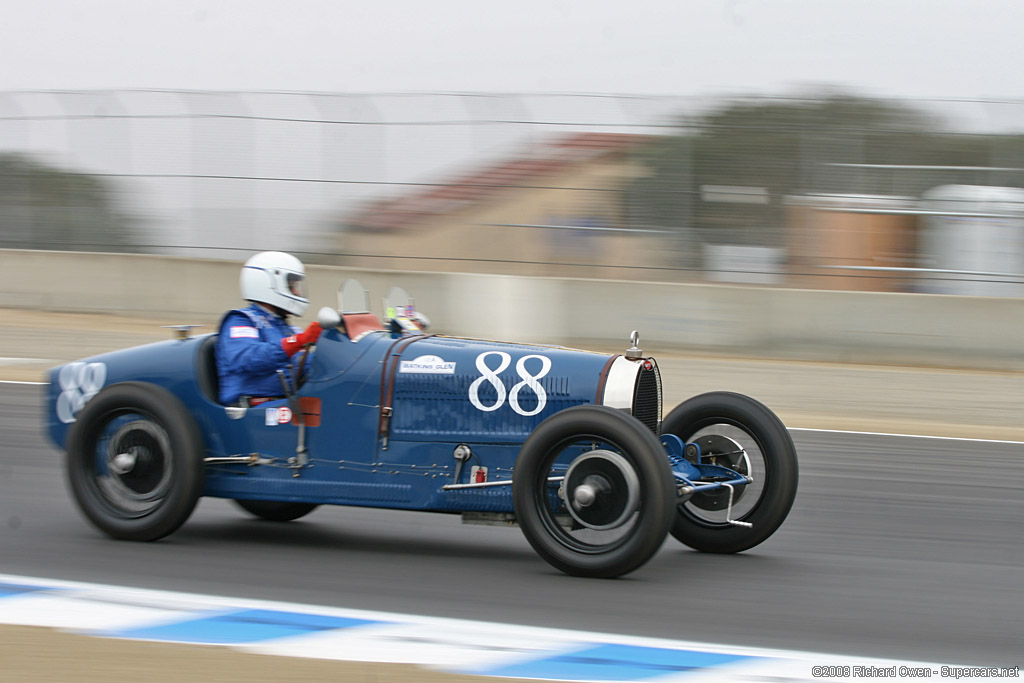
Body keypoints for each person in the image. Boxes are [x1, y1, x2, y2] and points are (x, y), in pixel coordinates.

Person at [216, 251, 324, 406]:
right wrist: (298, 341)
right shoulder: (241, 320)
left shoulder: (286, 328)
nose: (297, 292)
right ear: (269, 284)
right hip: (255, 407)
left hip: (287, 402)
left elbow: (305, 365)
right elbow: (247, 359)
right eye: (291, 286)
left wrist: (331, 345)